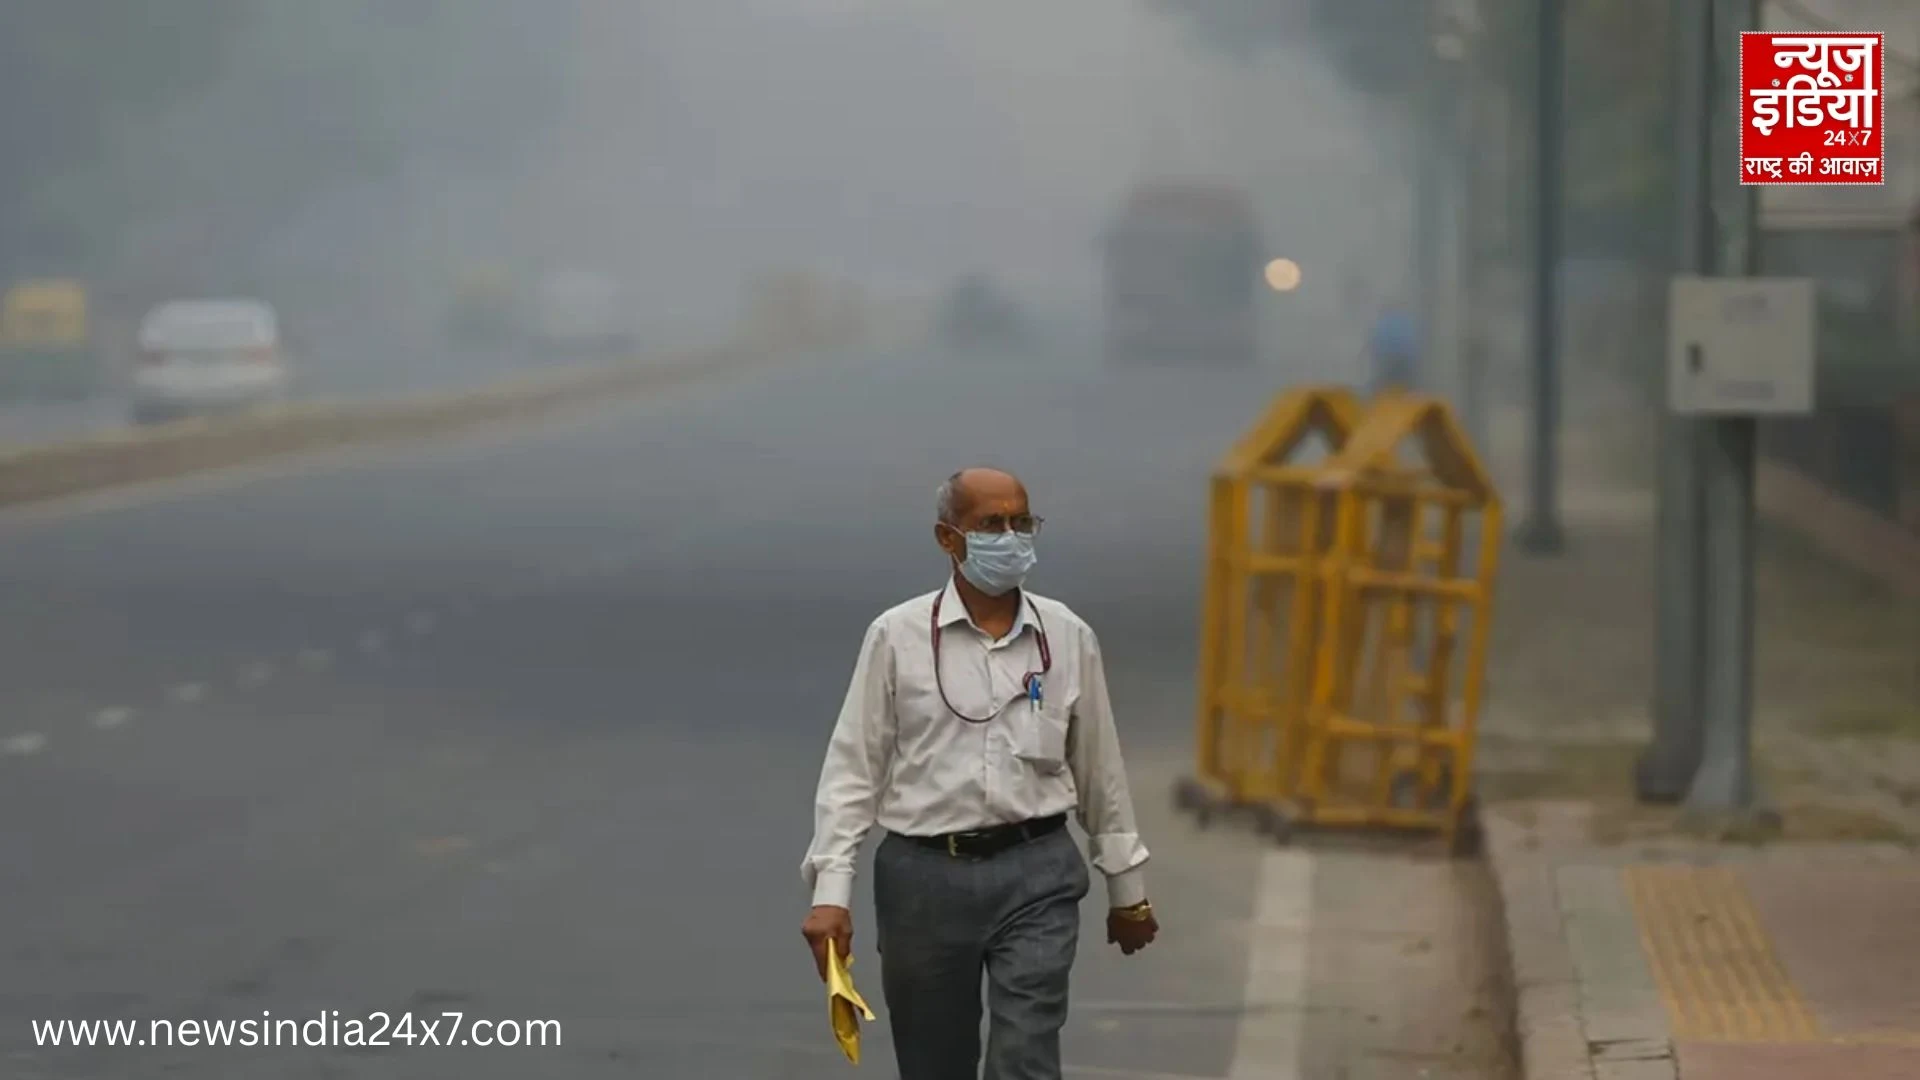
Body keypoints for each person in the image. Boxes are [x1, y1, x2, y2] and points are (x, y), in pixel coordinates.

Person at [800, 467, 1157, 1080]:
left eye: (1022, 522)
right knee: (935, 1061)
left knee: (1026, 1055)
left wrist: (1127, 888)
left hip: (1037, 873)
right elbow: (853, 770)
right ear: (948, 538)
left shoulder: (1067, 636)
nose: (1011, 537)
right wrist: (831, 893)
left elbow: (1100, 768)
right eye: (992, 525)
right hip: (924, 881)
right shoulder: (897, 637)